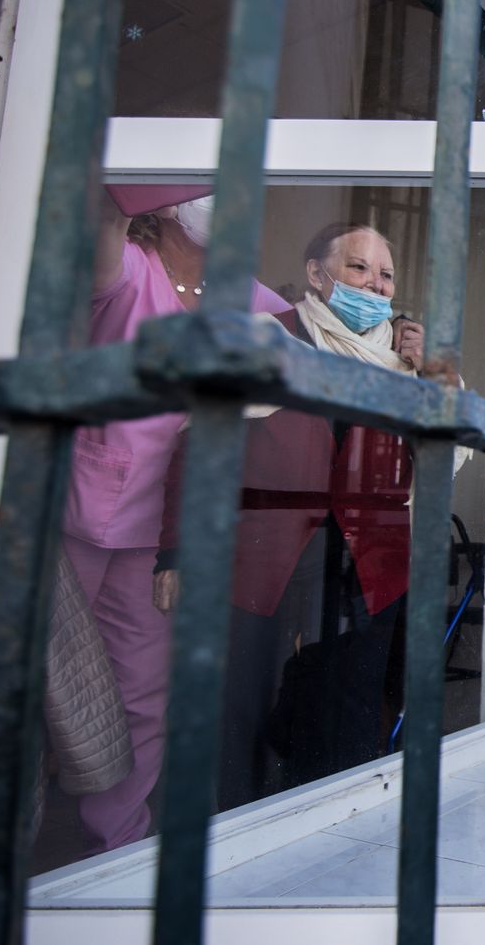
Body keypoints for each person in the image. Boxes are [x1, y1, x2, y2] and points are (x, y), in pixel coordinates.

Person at [156, 222, 435, 809]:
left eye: (386, 276)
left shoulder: (400, 364)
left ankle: (335, 826)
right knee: (243, 704)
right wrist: (175, 552)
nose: (376, 287)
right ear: (317, 274)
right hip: (263, 557)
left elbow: (438, 464)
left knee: (350, 704)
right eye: (359, 269)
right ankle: (232, 828)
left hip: (369, 565)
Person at [60, 192, 288, 853]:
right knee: (37, 685)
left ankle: (117, 847)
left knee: (142, 696)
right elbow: (101, 218)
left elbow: (307, 339)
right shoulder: (128, 265)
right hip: (69, 518)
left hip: (162, 535)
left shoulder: (241, 295)